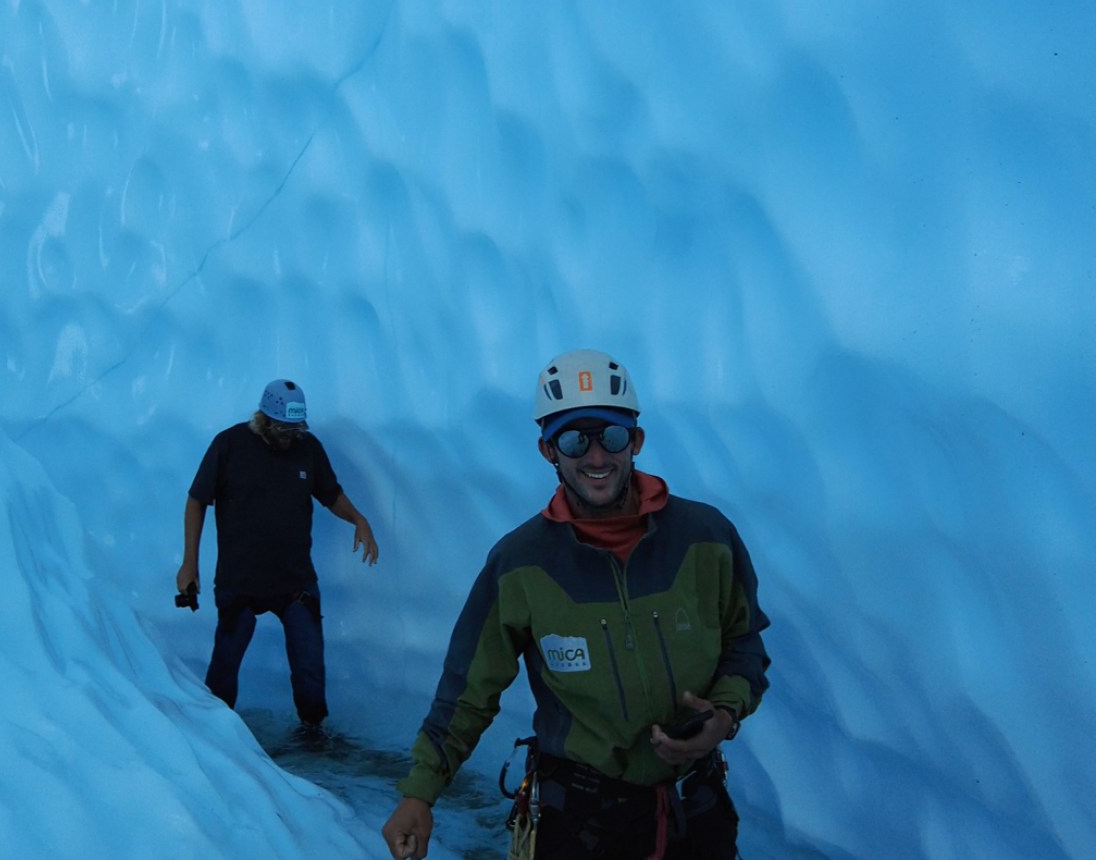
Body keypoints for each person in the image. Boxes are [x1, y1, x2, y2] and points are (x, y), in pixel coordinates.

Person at [381, 349, 770, 860]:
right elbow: (467, 690)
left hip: (692, 811)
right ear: (548, 450)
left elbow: (744, 642)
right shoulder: (520, 564)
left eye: (610, 436)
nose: (595, 457)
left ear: (636, 441)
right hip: (581, 821)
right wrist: (419, 792)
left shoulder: (706, 538)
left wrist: (724, 714)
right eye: (573, 439)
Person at [178, 378, 379, 728]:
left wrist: (358, 519)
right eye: (284, 429)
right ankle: (213, 737)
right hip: (239, 583)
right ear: (264, 420)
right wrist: (189, 563)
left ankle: (312, 738)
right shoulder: (229, 446)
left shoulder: (307, 447)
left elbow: (330, 495)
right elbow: (197, 501)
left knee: (310, 672)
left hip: (295, 583)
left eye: (296, 429)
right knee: (224, 671)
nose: (290, 437)